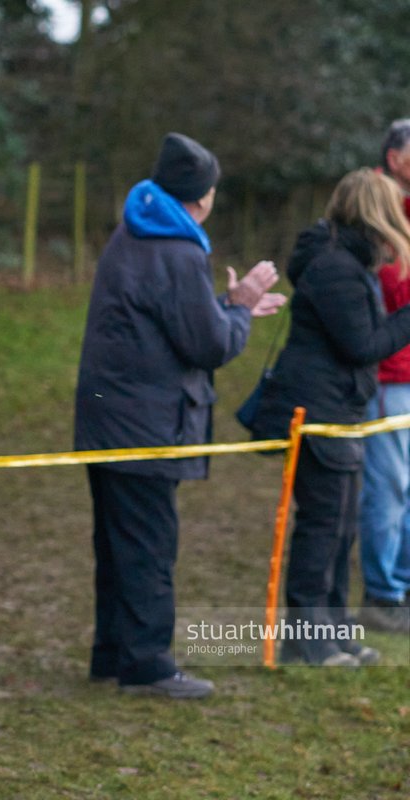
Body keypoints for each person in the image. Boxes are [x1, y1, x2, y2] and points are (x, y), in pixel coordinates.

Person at [74, 132, 285, 699]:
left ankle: (113, 654)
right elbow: (209, 346)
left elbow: (174, 322)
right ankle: (146, 665)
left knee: (118, 541)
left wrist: (225, 308)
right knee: (149, 544)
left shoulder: (135, 231)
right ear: (203, 197)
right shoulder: (179, 249)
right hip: (146, 427)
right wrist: (237, 309)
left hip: (109, 420)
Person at [252, 168, 410, 665]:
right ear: (377, 215)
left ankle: (334, 627)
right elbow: (363, 345)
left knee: (341, 524)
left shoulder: (345, 263)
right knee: (323, 524)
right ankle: (307, 638)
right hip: (319, 412)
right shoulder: (336, 268)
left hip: (338, 410)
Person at [357, 120, 410, 635]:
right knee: (389, 486)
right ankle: (383, 593)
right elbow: (393, 293)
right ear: (395, 157)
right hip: (391, 373)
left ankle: (401, 582)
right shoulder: (375, 211)